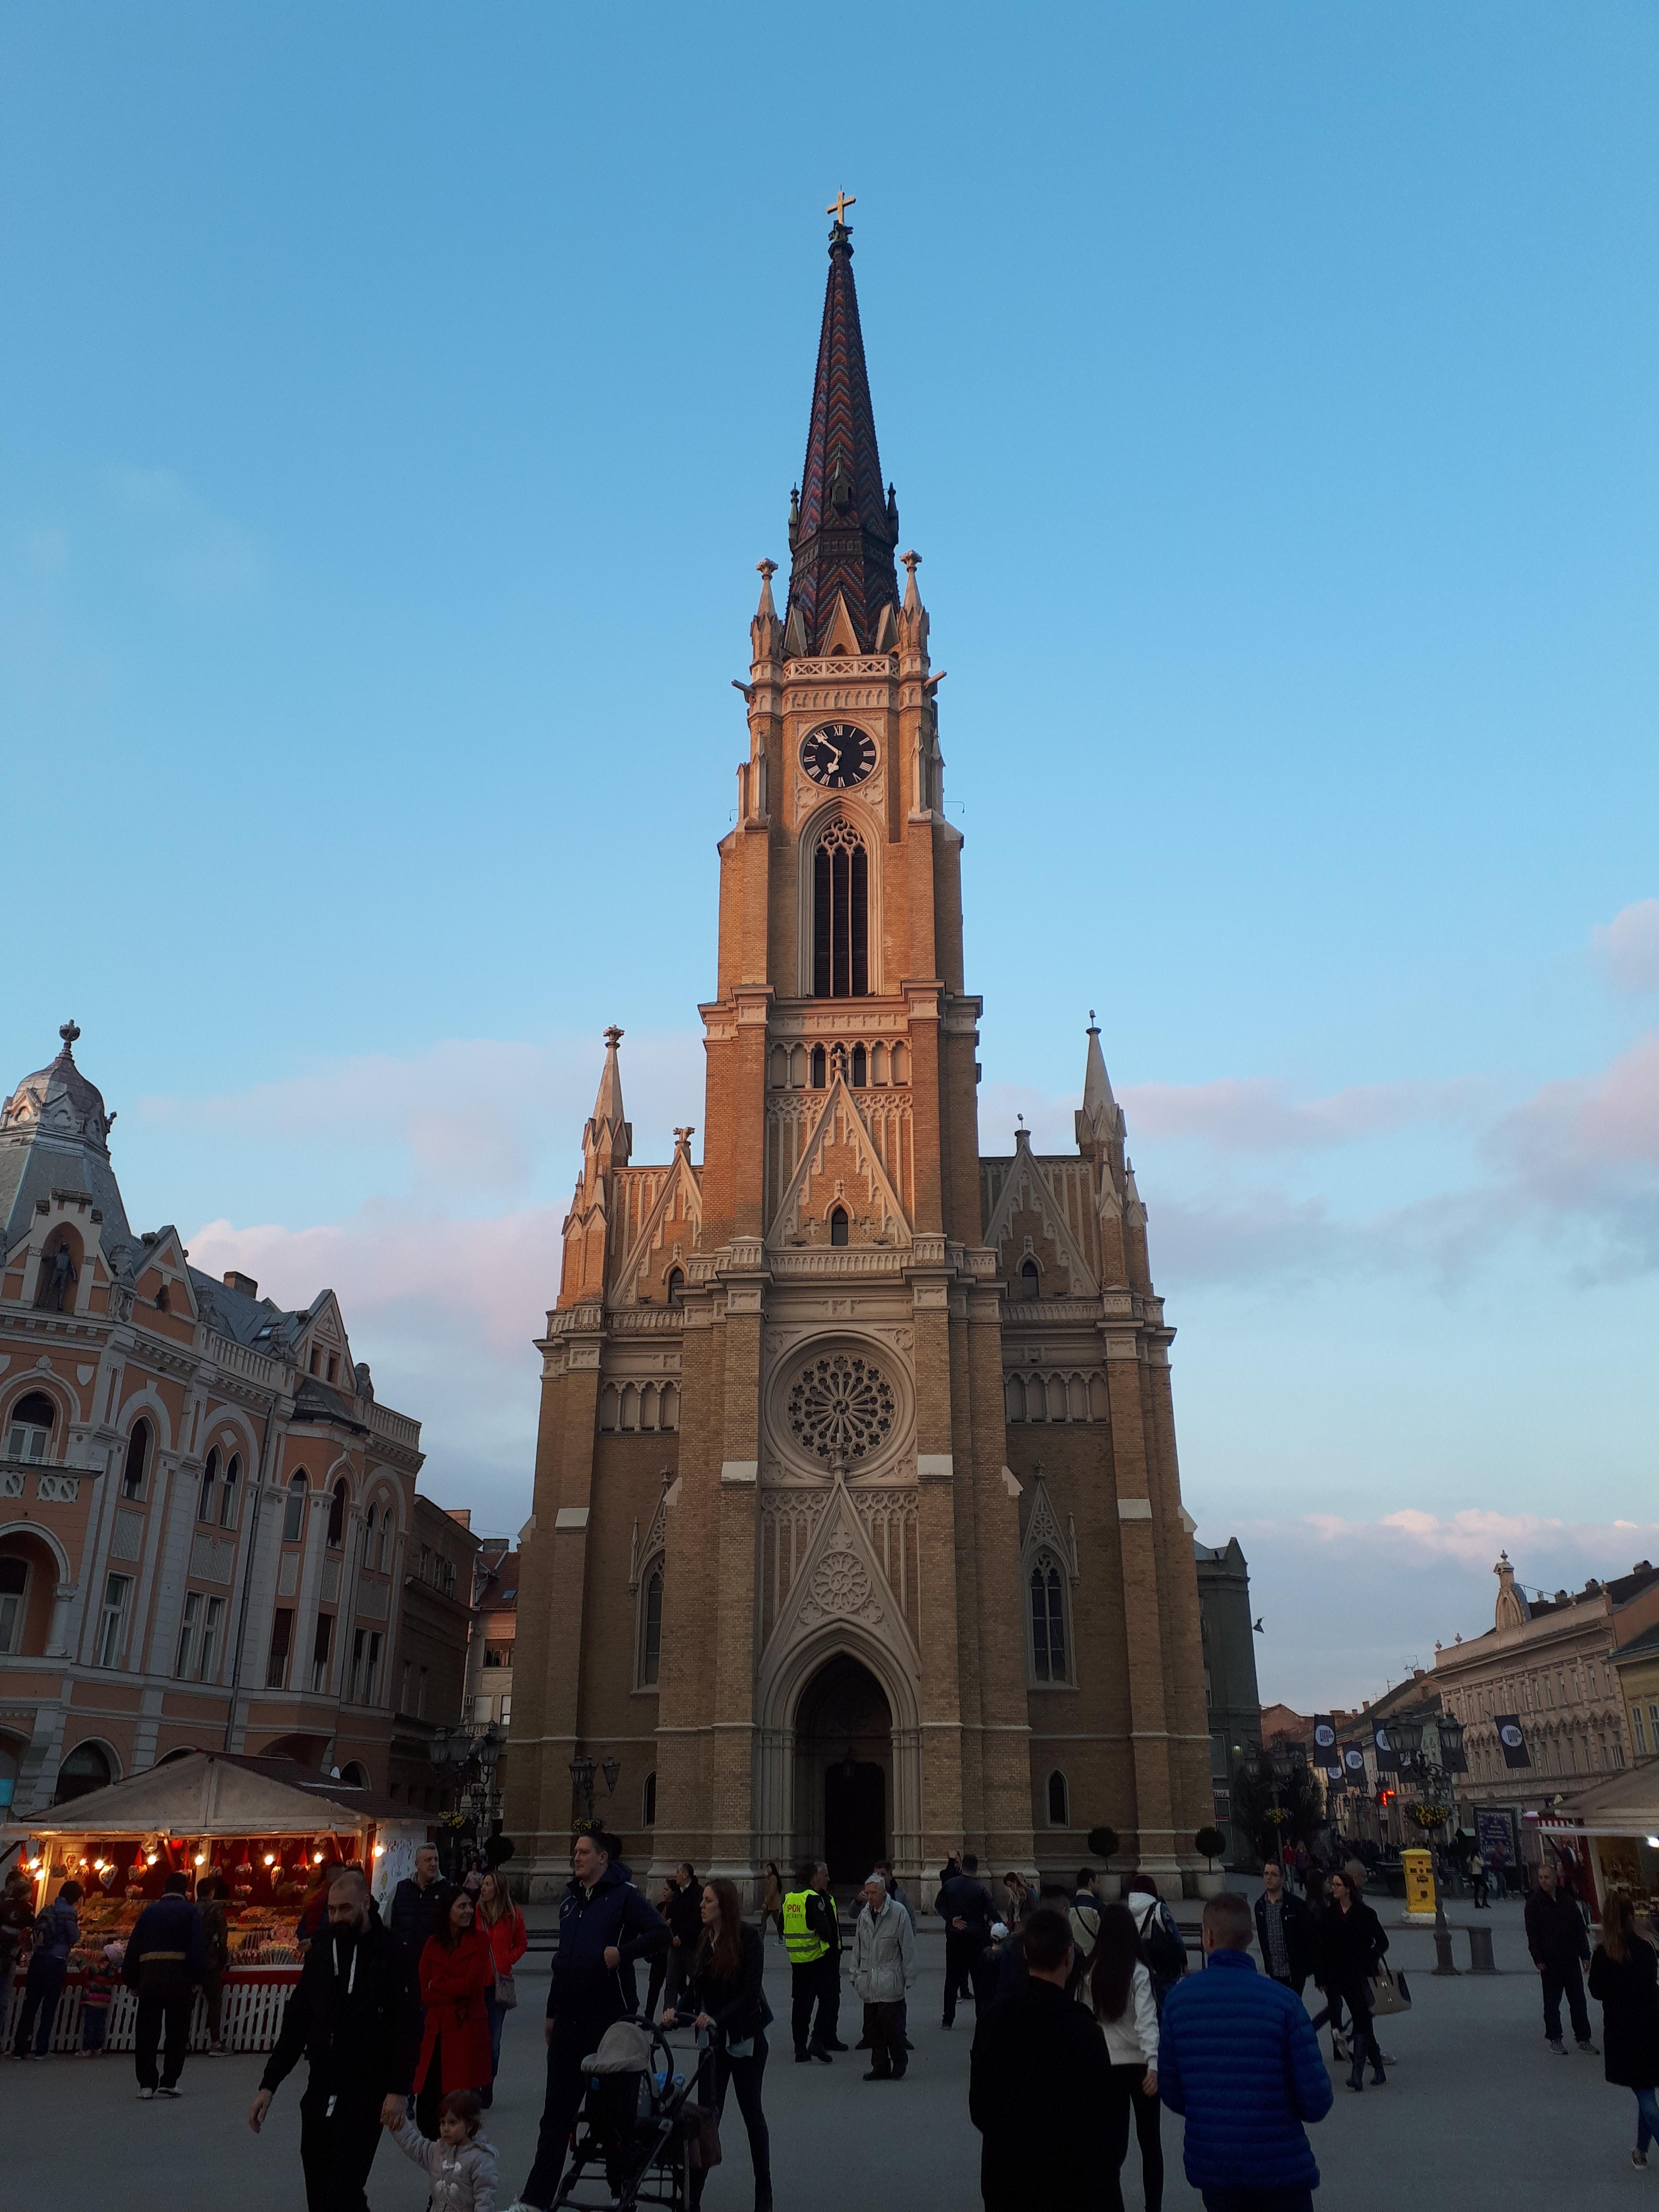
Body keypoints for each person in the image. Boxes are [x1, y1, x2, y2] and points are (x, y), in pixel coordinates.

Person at [249, 1867, 421, 2212]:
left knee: (344, 2188)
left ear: (365, 1903)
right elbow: (298, 2019)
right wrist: (269, 2084)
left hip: (367, 2089)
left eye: (345, 1909)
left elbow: (409, 2025)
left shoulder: (392, 1952)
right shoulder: (323, 1951)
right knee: (320, 2190)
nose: (337, 1917)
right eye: (331, 1910)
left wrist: (399, 2090)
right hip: (321, 2085)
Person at [515, 1828, 670, 2211]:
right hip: (568, 2021)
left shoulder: (624, 1897)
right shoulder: (570, 1901)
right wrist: (552, 2012)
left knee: (614, 2120)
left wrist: (623, 1953)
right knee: (555, 2118)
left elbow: (661, 1934)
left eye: (584, 1852)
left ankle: (623, 2192)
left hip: (610, 2022)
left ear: (604, 1859)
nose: (576, 1857)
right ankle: (535, 2200)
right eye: (575, 1852)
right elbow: (561, 1963)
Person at [1159, 1891, 1333, 2212]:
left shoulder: (1179, 2002)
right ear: (1250, 1937)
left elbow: (1171, 2091)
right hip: (1281, 2168)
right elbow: (1316, 2101)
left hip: (1215, 2167)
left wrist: (1211, 2110)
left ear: (1208, 1937)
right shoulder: (1284, 2002)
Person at [969, 1904, 1112, 2212]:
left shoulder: (994, 2019)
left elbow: (979, 2107)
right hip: (1068, 2182)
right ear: (1068, 1956)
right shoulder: (1082, 2028)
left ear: (1025, 1955)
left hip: (1005, 2176)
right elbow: (1102, 2122)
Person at [665, 1875, 773, 2212]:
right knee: (706, 2118)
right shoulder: (704, 1938)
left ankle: (764, 2194)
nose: (702, 1905)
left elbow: (749, 1994)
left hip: (745, 2038)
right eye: (703, 1901)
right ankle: (692, 2197)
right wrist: (675, 2011)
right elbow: (696, 1984)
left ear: (723, 1906)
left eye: (708, 1901)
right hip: (713, 2043)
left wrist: (717, 2019)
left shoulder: (748, 1938)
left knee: (752, 2114)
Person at [1089, 1900, 1162, 2212]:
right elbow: (1147, 2019)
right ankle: (1153, 2208)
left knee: (1111, 2145)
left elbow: (1087, 2019)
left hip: (1108, 2065)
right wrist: (1154, 2064)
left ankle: (1111, 2204)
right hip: (1140, 2066)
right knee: (1150, 2144)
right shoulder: (1138, 1970)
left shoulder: (1090, 1970)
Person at [416, 1888, 495, 2139]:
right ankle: (440, 2164)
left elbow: (471, 1985)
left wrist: (438, 1984)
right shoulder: (432, 1943)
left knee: (460, 2108)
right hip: (438, 2032)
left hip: (466, 2033)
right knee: (428, 2111)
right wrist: (446, 1988)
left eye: (470, 1906)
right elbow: (424, 1991)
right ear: (448, 1910)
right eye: (462, 1906)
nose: (469, 1911)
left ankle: (460, 2168)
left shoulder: (480, 1941)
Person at [1588, 1892, 1659, 2168]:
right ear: (1631, 1918)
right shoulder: (1646, 1949)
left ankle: (1642, 2151)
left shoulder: (1604, 1954)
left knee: (1645, 2096)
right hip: (1651, 2025)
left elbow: (1595, 1992)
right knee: (1647, 2089)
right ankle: (1640, 2151)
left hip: (1622, 2032)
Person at [124, 1869, 205, 2099]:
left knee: (147, 2031)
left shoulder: (149, 1912)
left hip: (149, 1977)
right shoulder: (191, 1912)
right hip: (179, 1978)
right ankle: (169, 2080)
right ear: (185, 1890)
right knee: (177, 2031)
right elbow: (197, 1947)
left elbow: (134, 1945)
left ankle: (146, 2083)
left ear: (164, 1889)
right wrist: (195, 1978)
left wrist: (131, 1978)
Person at [1316, 1871, 1386, 2092]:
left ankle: (1357, 2075)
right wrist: (1321, 1977)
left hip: (1362, 1976)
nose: (1334, 1888)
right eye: (1333, 1884)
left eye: (1338, 1885)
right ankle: (1378, 2067)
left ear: (1348, 1888)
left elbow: (1383, 1942)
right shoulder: (1329, 1915)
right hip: (1338, 1975)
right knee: (1363, 2021)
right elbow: (1322, 1948)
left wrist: (1371, 1958)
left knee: (1361, 2019)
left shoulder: (1365, 1914)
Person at [849, 1869, 915, 2080]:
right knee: (873, 2028)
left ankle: (899, 2058)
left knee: (891, 2026)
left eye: (873, 1893)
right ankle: (880, 2066)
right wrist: (854, 1973)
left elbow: (908, 1946)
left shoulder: (899, 1913)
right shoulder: (865, 1915)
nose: (869, 1897)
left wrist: (909, 1976)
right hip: (869, 1979)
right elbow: (858, 1947)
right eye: (867, 1893)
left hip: (890, 1977)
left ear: (883, 1893)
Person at [388, 2086, 499, 2211]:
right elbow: (411, 2142)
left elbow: (485, 2199)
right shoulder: (436, 2151)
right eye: (442, 2122)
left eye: (453, 2123)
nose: (446, 2128)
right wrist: (396, 2121)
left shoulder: (481, 2159)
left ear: (470, 2124)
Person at [1526, 1858, 1596, 2056]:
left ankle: (1584, 2038)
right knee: (1552, 2002)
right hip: (1549, 1962)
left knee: (1578, 2001)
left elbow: (1579, 1929)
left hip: (1570, 1958)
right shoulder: (1534, 1903)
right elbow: (1532, 1934)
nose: (1544, 1881)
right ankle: (1555, 2038)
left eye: (1547, 1877)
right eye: (1541, 1878)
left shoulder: (1567, 1901)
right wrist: (1538, 1958)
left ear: (1556, 1878)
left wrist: (1585, 1955)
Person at [10, 1876, 80, 2059]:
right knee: (49, 2006)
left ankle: (19, 2048)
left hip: (39, 1959)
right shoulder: (69, 1913)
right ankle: (42, 2049)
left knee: (30, 2004)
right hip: (56, 1961)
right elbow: (73, 1937)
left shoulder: (47, 1909)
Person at [476, 1868, 527, 2104]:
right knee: (475, 2040)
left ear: (498, 1889)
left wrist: (507, 1960)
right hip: (475, 1985)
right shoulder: (474, 1912)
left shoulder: (512, 1915)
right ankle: (473, 2084)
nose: (483, 1888)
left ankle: (488, 2084)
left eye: (488, 1885)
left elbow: (521, 1943)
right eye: (483, 1884)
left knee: (493, 2043)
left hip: (498, 1986)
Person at [783, 1861, 842, 2062]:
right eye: (823, 1876)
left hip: (796, 1959)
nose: (827, 1879)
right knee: (827, 2000)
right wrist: (830, 1941)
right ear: (814, 1877)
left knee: (800, 2005)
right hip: (816, 1958)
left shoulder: (789, 1898)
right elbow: (823, 1929)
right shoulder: (813, 1898)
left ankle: (800, 2049)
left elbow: (784, 1924)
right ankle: (816, 2041)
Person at [937, 1852, 996, 2027]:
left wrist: (951, 1919)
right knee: (979, 1981)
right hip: (977, 1938)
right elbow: (991, 1911)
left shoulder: (951, 1884)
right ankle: (982, 2018)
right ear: (976, 1869)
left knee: (952, 1980)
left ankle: (948, 2020)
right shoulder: (980, 1889)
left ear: (962, 1866)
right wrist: (1000, 1926)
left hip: (956, 1937)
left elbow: (939, 1904)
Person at [1254, 1860, 1318, 2000]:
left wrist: (1309, 1967)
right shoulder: (1260, 1906)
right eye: (1266, 1874)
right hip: (1274, 1969)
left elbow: (1309, 1937)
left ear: (1282, 1878)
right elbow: (1263, 1937)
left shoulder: (1296, 1905)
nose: (1269, 1878)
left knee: (1292, 2005)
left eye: (1274, 1875)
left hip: (1294, 1970)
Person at [1126, 1874, 1188, 2014]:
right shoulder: (1160, 1908)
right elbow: (1176, 1938)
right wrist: (1184, 1963)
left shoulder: (1128, 1910)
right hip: (1163, 1967)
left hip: (1140, 1965)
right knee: (1168, 2007)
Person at [390, 1842, 457, 1966]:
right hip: (402, 1961)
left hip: (434, 1963)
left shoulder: (448, 1891)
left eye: (436, 1859)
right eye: (428, 1860)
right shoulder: (401, 1889)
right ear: (417, 1864)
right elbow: (388, 1923)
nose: (434, 1864)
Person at [664, 1861, 704, 2018]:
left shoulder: (697, 1892)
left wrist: (682, 1936)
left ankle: (695, 2014)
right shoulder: (678, 1893)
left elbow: (696, 1919)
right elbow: (675, 1915)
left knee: (696, 1981)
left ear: (686, 1874)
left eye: (678, 1872)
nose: (676, 1875)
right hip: (675, 1945)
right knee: (672, 1981)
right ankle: (669, 2015)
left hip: (691, 1946)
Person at [197, 1873, 232, 2052]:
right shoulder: (216, 1909)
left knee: (188, 2002)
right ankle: (215, 2041)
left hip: (193, 1960)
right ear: (211, 1892)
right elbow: (223, 1936)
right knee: (214, 2001)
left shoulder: (191, 1909)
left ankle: (184, 2042)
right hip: (211, 1960)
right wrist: (224, 1957)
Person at [80, 1940, 124, 2056]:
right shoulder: (112, 1970)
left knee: (90, 2024)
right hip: (104, 2001)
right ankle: (98, 2046)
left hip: (93, 2000)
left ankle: (87, 2047)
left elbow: (86, 1971)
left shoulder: (97, 1966)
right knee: (100, 2025)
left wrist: (79, 1962)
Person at [760, 1861, 786, 1947]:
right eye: (767, 1868)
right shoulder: (770, 1878)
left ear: (773, 1869)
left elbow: (771, 1891)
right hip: (771, 1904)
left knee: (774, 1921)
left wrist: (766, 1902)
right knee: (765, 1920)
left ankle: (780, 1939)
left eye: (769, 1868)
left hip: (773, 1904)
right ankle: (762, 1939)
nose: (768, 1870)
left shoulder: (774, 1878)